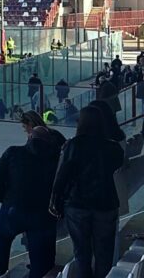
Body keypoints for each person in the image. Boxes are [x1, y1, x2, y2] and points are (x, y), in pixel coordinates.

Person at [50, 105, 124, 278]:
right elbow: (118, 164)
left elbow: (62, 175)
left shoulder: (74, 145)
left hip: (77, 205)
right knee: (104, 253)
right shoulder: (112, 147)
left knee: (81, 252)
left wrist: (54, 200)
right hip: (106, 203)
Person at [0, 126, 62, 278]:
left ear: (29, 138)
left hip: (13, 208)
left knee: (2, 236)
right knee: (41, 256)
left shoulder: (13, 152)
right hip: (42, 213)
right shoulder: (55, 159)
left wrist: (5, 198)